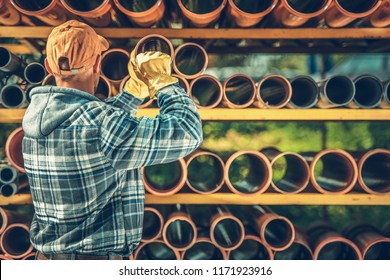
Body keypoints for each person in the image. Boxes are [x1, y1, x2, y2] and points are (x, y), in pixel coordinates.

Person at [22, 20, 203, 260]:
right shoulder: (102, 125)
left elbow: (90, 126)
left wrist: (131, 95)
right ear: (98, 63)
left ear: (48, 65)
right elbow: (188, 130)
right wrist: (163, 83)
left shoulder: (37, 117)